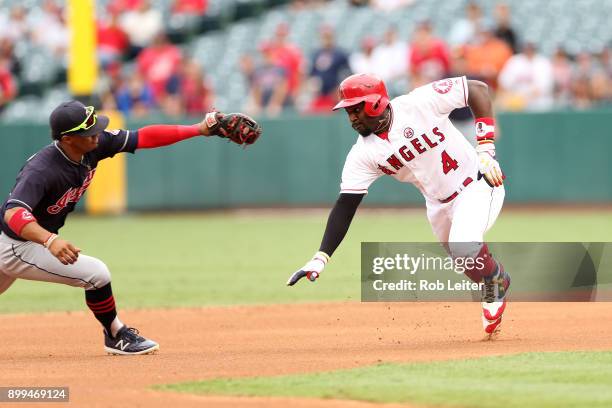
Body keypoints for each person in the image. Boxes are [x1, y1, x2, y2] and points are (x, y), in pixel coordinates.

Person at [0, 101, 260, 355]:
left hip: (23, 239)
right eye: (88, 132)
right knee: (96, 274)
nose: (97, 135)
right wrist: (49, 241)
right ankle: (115, 335)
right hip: (20, 244)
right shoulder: (42, 169)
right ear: (68, 139)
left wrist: (198, 128)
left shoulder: (91, 146)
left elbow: (143, 137)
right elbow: (14, 212)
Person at [287, 73, 510, 336]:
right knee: (464, 262)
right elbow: (346, 205)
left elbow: (477, 89)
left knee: (464, 248)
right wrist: (320, 257)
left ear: (376, 103)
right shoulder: (363, 154)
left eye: (356, 109)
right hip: (437, 204)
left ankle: (497, 284)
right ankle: (492, 282)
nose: (352, 118)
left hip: (478, 183)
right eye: (348, 111)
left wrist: (486, 149)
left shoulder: (419, 103)